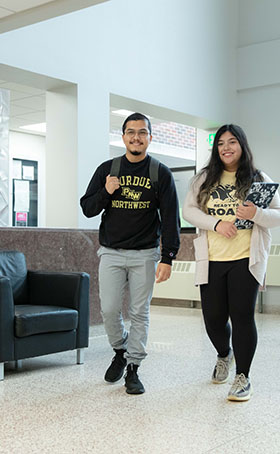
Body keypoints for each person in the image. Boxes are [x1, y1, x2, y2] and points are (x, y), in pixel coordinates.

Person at [183, 124, 280, 401]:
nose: (226, 148)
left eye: (232, 142)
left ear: (242, 145)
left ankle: (243, 376)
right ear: (216, 149)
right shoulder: (203, 178)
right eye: (221, 143)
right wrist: (216, 224)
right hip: (212, 258)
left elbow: (279, 215)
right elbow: (189, 210)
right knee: (213, 320)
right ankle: (223, 354)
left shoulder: (258, 177)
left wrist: (257, 213)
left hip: (246, 258)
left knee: (242, 317)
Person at [80, 112, 180, 394]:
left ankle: (134, 368)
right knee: (109, 309)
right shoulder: (107, 169)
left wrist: (168, 257)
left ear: (150, 137)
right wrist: (106, 192)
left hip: (145, 255)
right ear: (123, 137)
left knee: (139, 312)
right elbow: (87, 208)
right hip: (110, 253)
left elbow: (171, 218)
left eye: (142, 132)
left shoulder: (160, 173)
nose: (136, 137)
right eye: (131, 132)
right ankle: (120, 350)